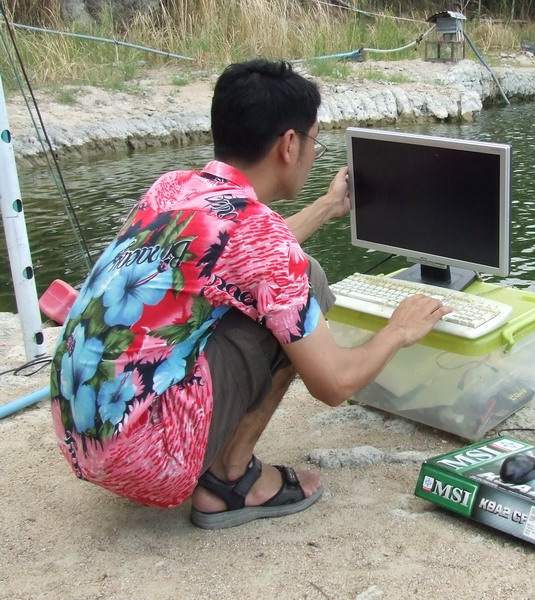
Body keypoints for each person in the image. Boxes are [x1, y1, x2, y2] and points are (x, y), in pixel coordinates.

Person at [49, 58, 451, 530]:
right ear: (289, 144)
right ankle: (231, 481)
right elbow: (334, 384)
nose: (312, 154)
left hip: (82, 438)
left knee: (290, 279)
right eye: (314, 141)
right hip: (148, 462)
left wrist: (327, 206)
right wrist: (399, 330)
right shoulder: (261, 238)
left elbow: (245, 252)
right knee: (307, 283)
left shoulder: (172, 187)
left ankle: (210, 462)